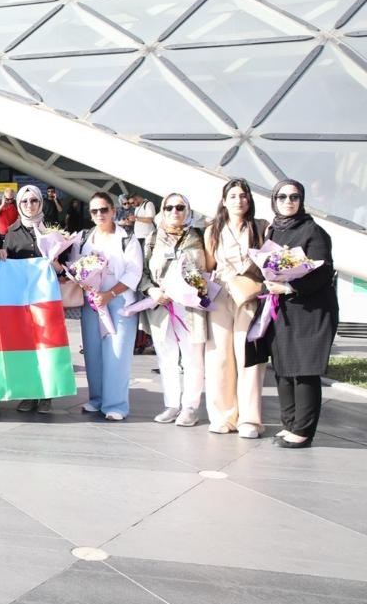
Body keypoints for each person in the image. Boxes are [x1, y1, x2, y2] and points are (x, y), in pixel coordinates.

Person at [262, 179, 337, 449]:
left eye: (294, 197)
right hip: (282, 309)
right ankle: (289, 423)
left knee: (304, 369)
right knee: (283, 366)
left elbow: (322, 272)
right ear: (274, 200)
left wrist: (289, 286)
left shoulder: (313, 232)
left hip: (310, 309)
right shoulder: (273, 232)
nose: (288, 202)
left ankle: (303, 430)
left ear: (302, 200)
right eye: (282, 197)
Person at [203, 178, 268, 438]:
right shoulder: (213, 231)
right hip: (220, 295)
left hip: (250, 295)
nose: (238, 200)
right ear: (224, 200)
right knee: (219, 356)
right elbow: (209, 265)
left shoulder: (261, 227)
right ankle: (222, 415)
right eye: (233, 196)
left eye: (243, 196)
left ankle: (250, 419)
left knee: (248, 356)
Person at [72, 191, 143, 421]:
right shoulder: (84, 238)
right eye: (95, 211)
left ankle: (116, 404)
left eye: (104, 209)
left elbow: (134, 271)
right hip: (92, 301)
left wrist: (110, 294)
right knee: (92, 352)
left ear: (113, 211)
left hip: (119, 301)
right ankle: (96, 399)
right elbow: (75, 267)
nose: (100, 214)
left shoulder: (127, 238)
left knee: (117, 353)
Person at [138, 193, 208, 427]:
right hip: (162, 305)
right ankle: (172, 404)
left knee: (192, 358)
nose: (174, 212)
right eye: (169, 208)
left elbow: (209, 268)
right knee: (166, 356)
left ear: (188, 211)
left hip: (191, 306)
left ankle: (190, 406)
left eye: (180, 207)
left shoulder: (198, 237)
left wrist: (199, 286)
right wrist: (152, 291)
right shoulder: (152, 239)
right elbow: (143, 274)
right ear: (162, 211)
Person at [5, 185, 65, 414]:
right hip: (21, 300)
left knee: (48, 345)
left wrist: (56, 264)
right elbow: (7, 264)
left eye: (34, 201)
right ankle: (29, 393)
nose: (30, 205)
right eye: (24, 202)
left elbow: (64, 268)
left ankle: (47, 394)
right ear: (19, 205)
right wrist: (2, 255)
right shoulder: (11, 231)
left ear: (41, 203)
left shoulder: (53, 231)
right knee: (25, 347)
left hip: (47, 299)